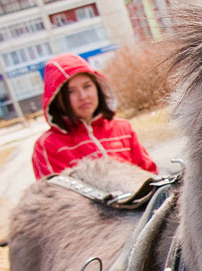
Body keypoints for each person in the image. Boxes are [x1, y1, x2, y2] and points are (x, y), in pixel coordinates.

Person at [31, 53, 159, 180]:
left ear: (98, 87)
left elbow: (150, 174)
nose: (83, 96)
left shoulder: (122, 128)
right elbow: (54, 195)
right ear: (56, 98)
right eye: (71, 91)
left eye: (87, 86)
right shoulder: (48, 146)